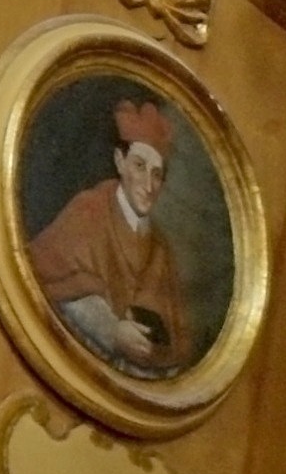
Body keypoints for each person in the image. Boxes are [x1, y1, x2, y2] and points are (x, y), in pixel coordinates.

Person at [29, 98, 194, 377]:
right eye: (139, 166)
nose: (148, 185)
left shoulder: (161, 248)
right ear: (120, 162)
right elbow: (47, 283)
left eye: (157, 174)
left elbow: (173, 343)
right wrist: (111, 331)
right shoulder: (88, 210)